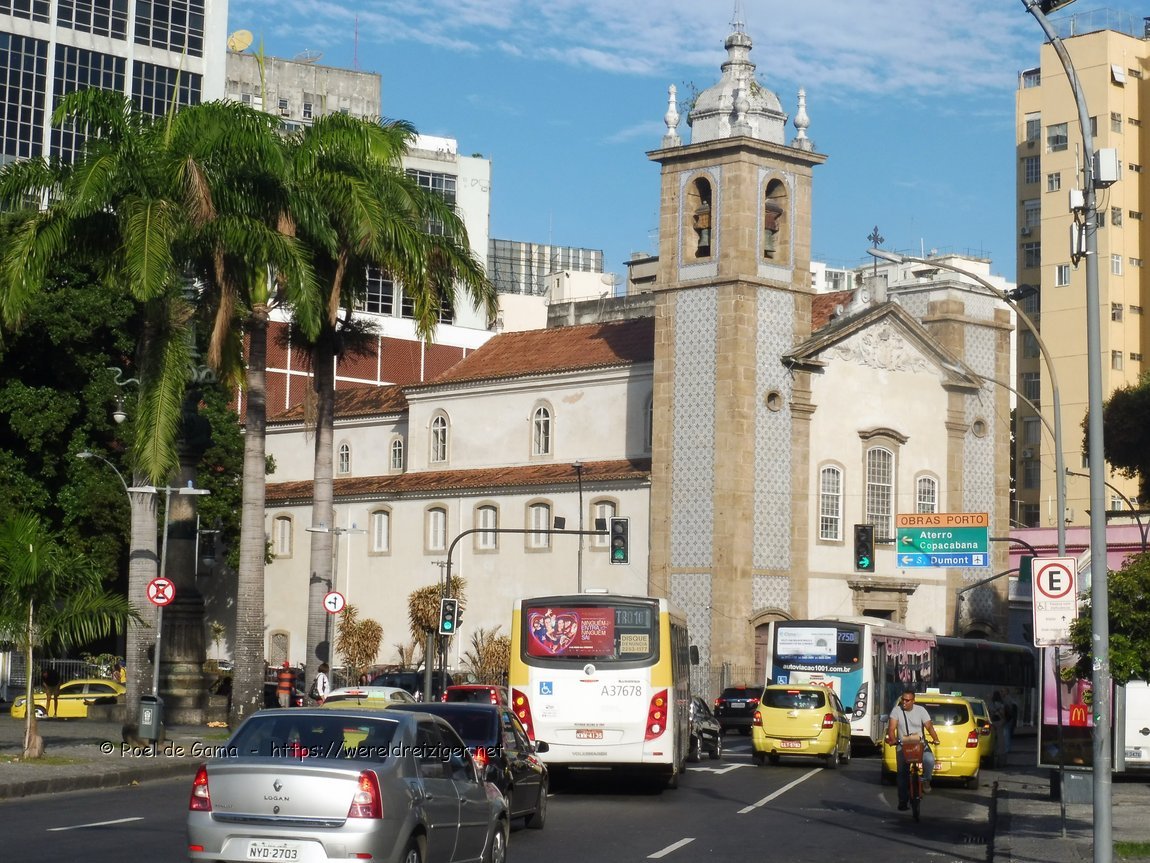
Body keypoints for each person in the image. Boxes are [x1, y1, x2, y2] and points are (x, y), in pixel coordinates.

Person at [886, 690, 941, 811]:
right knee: (902, 774)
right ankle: (902, 801)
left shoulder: (921, 710)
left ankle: (926, 780)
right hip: (903, 744)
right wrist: (893, 739)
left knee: (929, 760)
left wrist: (936, 739)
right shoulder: (896, 710)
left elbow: (929, 726)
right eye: (903, 699)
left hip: (919, 744)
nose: (904, 702)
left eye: (907, 700)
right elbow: (891, 728)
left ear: (913, 701)